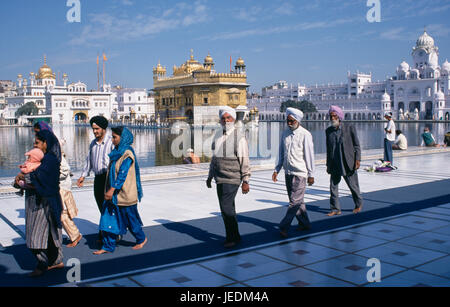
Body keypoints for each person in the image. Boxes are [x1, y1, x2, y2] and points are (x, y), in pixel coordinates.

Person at [15, 130, 64, 277]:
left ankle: (42, 264)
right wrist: (21, 178)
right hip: (42, 201)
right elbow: (29, 177)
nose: (34, 145)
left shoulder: (50, 160)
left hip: (43, 203)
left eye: (37, 142)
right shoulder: (40, 159)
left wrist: (24, 177)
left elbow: (38, 177)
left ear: (45, 143)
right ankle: (56, 261)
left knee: (36, 235)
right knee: (49, 233)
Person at [94, 126, 147, 255]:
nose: (112, 140)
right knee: (108, 218)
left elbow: (122, 174)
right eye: (112, 137)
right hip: (113, 194)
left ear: (122, 138)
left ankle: (141, 238)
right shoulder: (116, 152)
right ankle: (108, 245)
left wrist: (112, 190)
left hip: (124, 194)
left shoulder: (127, 154)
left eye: (114, 137)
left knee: (131, 220)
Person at [207, 106, 251, 248]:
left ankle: (231, 238)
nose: (226, 121)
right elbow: (214, 159)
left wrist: (246, 180)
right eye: (223, 118)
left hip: (232, 178)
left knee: (226, 208)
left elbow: (244, 160)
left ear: (233, 119)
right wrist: (210, 176)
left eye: (229, 118)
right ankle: (235, 236)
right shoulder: (218, 136)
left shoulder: (239, 137)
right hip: (220, 178)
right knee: (227, 208)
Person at [273, 108, 315, 238]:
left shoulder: (305, 134)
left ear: (297, 121)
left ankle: (284, 227)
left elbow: (309, 155)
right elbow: (281, 153)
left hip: (300, 173)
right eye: (288, 121)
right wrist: (277, 169)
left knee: (294, 202)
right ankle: (305, 223)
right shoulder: (285, 133)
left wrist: (311, 174)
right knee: (298, 201)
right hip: (288, 172)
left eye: (292, 121)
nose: (289, 123)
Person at [77, 116, 114, 241]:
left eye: (97, 129)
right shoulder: (93, 143)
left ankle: (108, 231)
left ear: (103, 128)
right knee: (100, 204)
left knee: (108, 205)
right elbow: (89, 161)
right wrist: (83, 175)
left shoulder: (111, 142)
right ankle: (108, 229)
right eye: (93, 129)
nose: (95, 131)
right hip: (98, 178)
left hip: (108, 178)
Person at [326, 105, 363, 216]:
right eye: (331, 116)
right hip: (335, 163)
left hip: (347, 162)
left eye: (334, 116)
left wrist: (357, 159)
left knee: (353, 185)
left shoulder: (349, 127)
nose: (332, 118)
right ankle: (335, 208)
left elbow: (356, 145)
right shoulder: (328, 131)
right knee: (333, 187)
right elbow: (328, 149)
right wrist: (328, 164)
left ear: (339, 117)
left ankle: (358, 204)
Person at [60, 151, 82, 248]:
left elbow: (65, 169)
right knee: (61, 213)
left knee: (62, 213)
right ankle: (74, 235)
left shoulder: (57, 155)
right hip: (61, 187)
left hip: (61, 188)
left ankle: (75, 235)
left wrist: (52, 177)